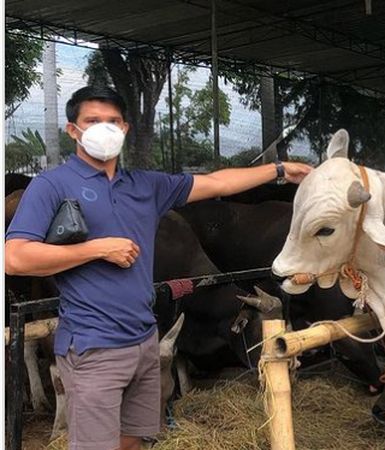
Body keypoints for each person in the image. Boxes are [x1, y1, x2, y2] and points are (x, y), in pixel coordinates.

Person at [4, 86, 313, 450]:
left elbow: (217, 182)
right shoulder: (51, 185)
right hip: (91, 345)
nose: (104, 128)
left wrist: (278, 169)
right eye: (92, 121)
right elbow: (15, 257)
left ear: (125, 129)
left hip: (144, 340)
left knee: (134, 438)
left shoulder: (146, 185)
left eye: (112, 121)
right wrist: (95, 249)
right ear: (73, 130)